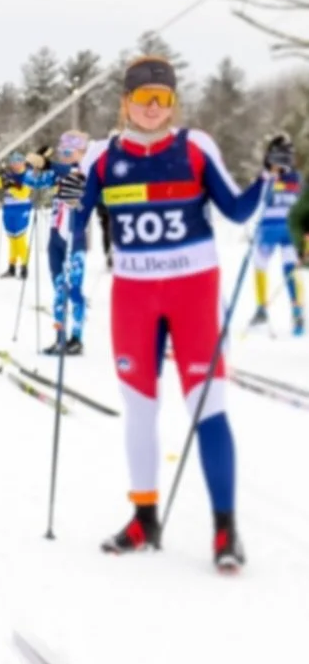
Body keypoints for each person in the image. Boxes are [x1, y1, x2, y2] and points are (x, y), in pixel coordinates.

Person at [70, 57, 266, 571]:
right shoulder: (103, 158)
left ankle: (226, 529)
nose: (153, 109)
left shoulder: (194, 148)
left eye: (163, 99)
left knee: (209, 407)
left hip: (193, 293)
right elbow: (76, 226)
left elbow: (238, 211)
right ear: (126, 102)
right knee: (139, 408)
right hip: (134, 297)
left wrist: (271, 176)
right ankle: (144, 517)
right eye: (143, 99)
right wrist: (67, 200)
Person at [30, 131, 89, 356]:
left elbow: (72, 171)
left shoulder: (84, 170)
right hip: (55, 239)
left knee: (73, 290)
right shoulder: (58, 174)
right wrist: (35, 164)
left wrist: (48, 163)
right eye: (62, 151)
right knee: (58, 290)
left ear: (82, 152)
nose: (65, 156)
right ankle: (59, 337)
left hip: (74, 239)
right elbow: (32, 180)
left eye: (70, 152)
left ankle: (77, 338)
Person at [250, 133, 304, 336]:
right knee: (290, 269)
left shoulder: (267, 176)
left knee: (260, 265)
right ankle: (298, 312)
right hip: (289, 228)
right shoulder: (297, 178)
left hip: (270, 228)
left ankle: (262, 309)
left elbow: (257, 198)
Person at [0, 153, 36, 278]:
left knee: (20, 238)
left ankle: (24, 267)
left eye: (18, 162)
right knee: (12, 239)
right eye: (13, 162)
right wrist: (4, 179)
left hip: (21, 208)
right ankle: (12, 267)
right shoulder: (9, 174)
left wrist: (11, 186)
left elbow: (23, 194)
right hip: (9, 208)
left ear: (23, 163)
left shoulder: (27, 175)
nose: (15, 165)